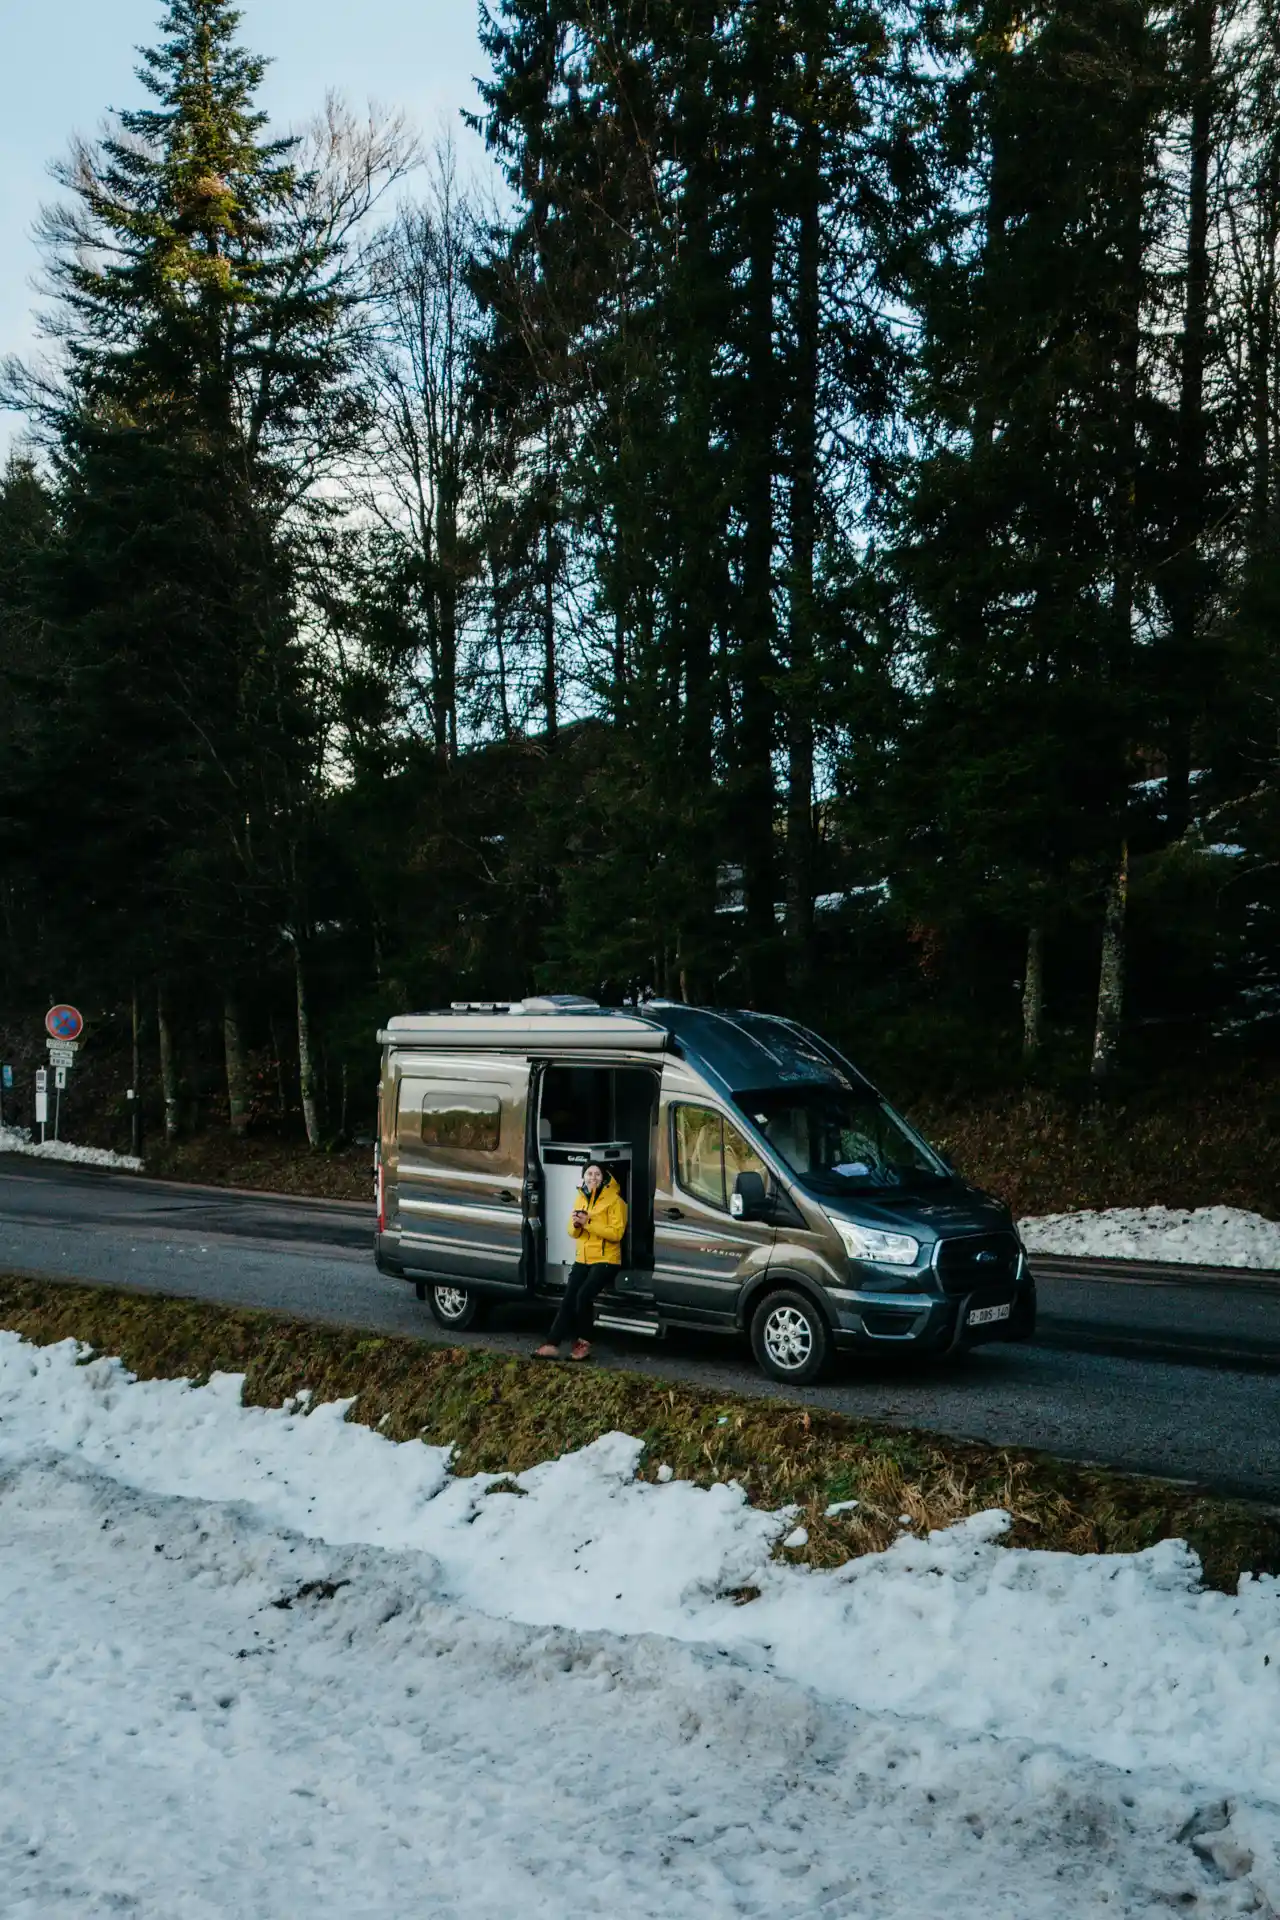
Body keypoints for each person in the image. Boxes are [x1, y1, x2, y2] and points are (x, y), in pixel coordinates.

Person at [534, 1160, 627, 1361]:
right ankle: (552, 1344)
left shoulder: (616, 1201)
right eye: (589, 1174)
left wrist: (588, 1222)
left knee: (583, 1296)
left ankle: (584, 1344)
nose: (593, 1178)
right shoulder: (581, 1198)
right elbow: (572, 1231)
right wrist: (577, 1225)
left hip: (607, 1259)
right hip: (583, 1258)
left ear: (604, 1178)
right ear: (583, 1177)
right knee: (569, 1298)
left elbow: (617, 1234)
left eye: (597, 1174)